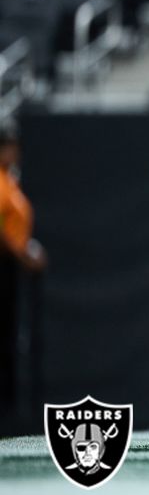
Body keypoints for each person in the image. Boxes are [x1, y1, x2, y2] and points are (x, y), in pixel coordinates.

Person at [0, 120, 46, 416]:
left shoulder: (10, 181)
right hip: (3, 266)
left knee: (9, 335)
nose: (15, 153)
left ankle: (8, 404)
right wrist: (22, 251)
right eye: (10, 147)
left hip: (10, 269)